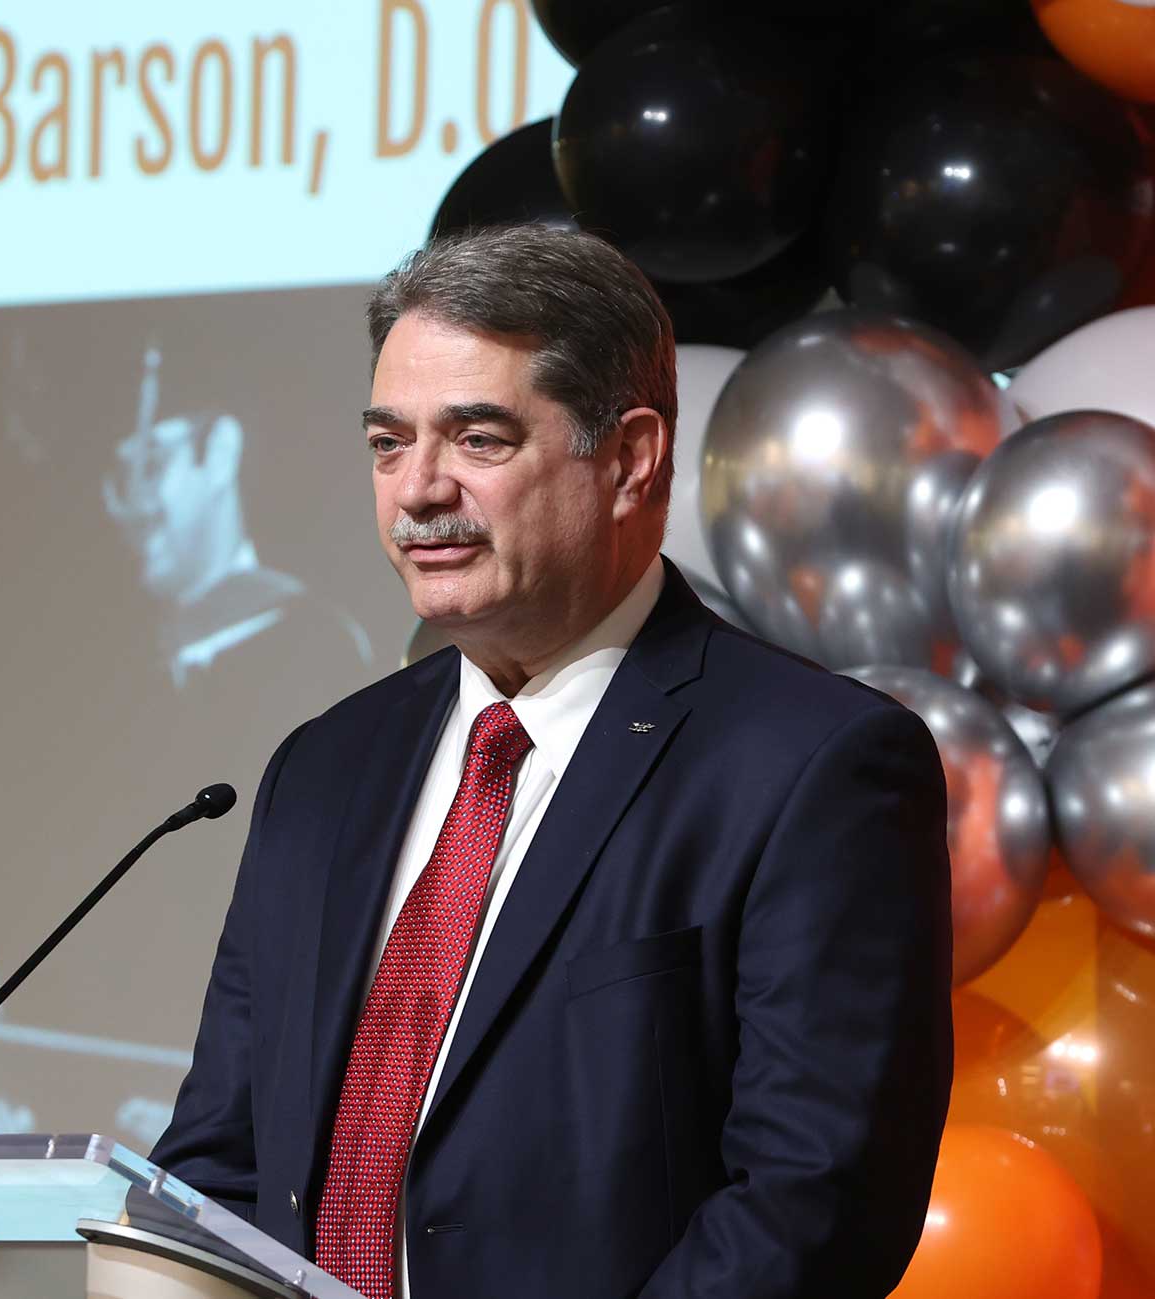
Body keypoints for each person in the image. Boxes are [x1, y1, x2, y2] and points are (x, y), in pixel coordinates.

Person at [150, 226, 952, 1299]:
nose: (417, 492)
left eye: (477, 439)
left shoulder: (810, 764)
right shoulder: (327, 767)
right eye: (389, 444)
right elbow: (218, 1162)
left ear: (628, 458)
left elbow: (814, 1201)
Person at [104, 341, 371, 699]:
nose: (132, 503)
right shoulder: (116, 664)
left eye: (152, 465)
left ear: (218, 454)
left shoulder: (313, 640)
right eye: (120, 476)